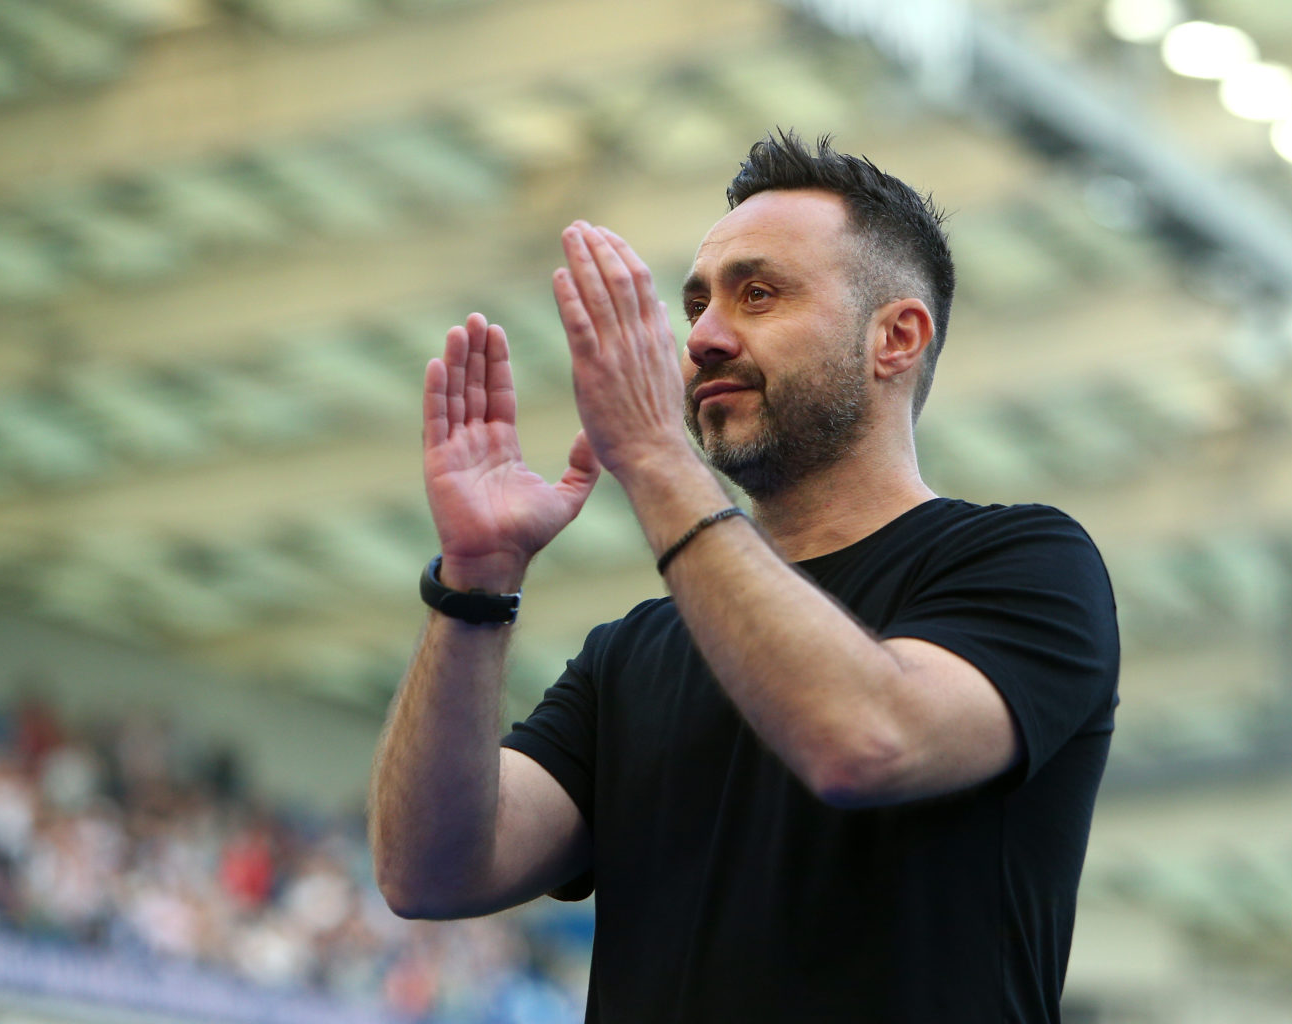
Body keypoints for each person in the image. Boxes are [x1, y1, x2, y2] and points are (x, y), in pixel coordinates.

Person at [369, 129, 1119, 1023]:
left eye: (758, 295)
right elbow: (430, 870)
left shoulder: (1025, 563)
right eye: (696, 307)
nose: (705, 340)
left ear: (895, 337)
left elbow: (866, 740)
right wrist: (474, 586)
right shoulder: (635, 653)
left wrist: (651, 453)